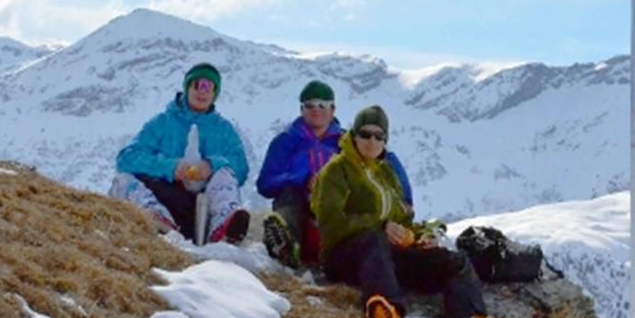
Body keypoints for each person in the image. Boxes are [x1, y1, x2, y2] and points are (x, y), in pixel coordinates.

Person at [311, 105, 519, 318]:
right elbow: (329, 223)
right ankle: (385, 310)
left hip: (384, 259)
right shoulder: (336, 171)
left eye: (379, 136)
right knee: (373, 239)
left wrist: (420, 235)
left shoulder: (386, 173)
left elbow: (401, 218)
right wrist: (380, 226)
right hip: (344, 257)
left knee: (454, 260)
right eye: (365, 134)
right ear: (353, 135)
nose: (371, 141)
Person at [256, 80, 413, 267]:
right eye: (310, 105)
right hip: (299, 201)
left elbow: (382, 161)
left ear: (333, 110)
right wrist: (301, 179)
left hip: (338, 203)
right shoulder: (285, 141)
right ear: (302, 109)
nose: (316, 110)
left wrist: (405, 201)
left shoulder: (348, 141)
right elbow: (265, 182)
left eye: (323, 105)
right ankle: (287, 243)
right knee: (289, 198)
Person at [110, 62, 250, 245]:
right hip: (164, 193)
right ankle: (157, 220)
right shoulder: (161, 123)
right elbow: (127, 158)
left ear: (215, 93)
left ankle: (223, 228)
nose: (203, 91)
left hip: (204, 201)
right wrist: (170, 167)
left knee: (225, 173)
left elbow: (240, 165)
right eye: (197, 85)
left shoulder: (224, 130)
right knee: (123, 180)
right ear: (187, 87)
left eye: (209, 86)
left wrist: (211, 165)